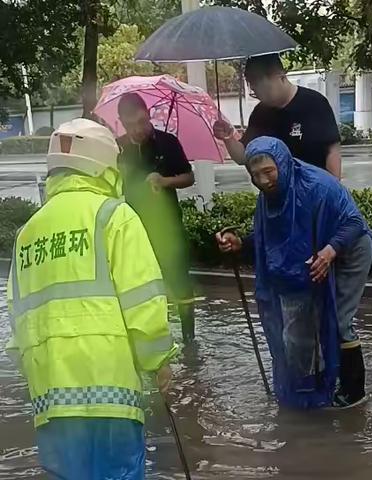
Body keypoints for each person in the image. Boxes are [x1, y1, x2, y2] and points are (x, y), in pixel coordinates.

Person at [6, 119, 177, 479]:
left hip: (51, 397)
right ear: (105, 168)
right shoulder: (114, 216)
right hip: (110, 391)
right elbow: (142, 299)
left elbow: (16, 320)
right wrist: (159, 359)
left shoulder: (28, 232)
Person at [216, 137, 372, 409]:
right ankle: (321, 379)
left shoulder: (318, 186)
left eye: (269, 171)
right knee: (312, 317)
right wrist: (240, 241)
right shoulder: (271, 199)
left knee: (339, 319)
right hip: (318, 250)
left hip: (349, 249)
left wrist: (329, 252)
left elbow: (354, 222)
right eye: (256, 175)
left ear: (283, 164)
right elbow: (270, 235)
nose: (264, 180)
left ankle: (353, 391)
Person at [117, 92, 196, 343]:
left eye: (141, 122)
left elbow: (188, 177)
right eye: (130, 125)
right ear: (121, 122)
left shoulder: (167, 142)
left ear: (148, 115)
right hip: (134, 230)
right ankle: (151, 340)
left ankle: (188, 338)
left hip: (169, 228)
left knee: (181, 284)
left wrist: (164, 181)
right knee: (141, 288)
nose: (137, 129)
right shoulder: (118, 148)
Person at [213, 54, 342, 178]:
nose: (257, 93)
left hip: (314, 189)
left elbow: (332, 150)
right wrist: (228, 138)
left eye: (261, 87)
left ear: (280, 76)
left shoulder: (314, 103)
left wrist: (333, 189)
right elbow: (243, 156)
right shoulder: (260, 113)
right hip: (278, 195)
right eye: (253, 88)